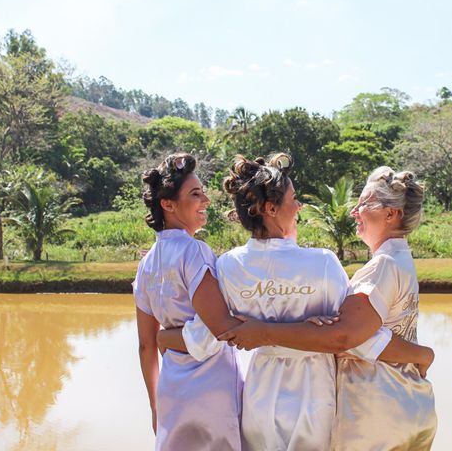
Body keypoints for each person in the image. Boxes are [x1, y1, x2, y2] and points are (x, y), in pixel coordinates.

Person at [159, 154, 433, 451]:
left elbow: (210, 334)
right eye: (293, 198)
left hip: (259, 393)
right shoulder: (323, 263)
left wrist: (165, 337)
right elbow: (355, 337)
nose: (299, 205)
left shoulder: (228, 266)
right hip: (314, 395)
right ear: (271, 208)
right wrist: (417, 353)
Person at [133, 153, 242, 451]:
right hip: (210, 389)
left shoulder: (146, 266)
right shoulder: (195, 252)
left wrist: (155, 405)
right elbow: (222, 328)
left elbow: (145, 345)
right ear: (167, 204)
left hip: (171, 389)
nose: (206, 199)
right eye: (196, 194)